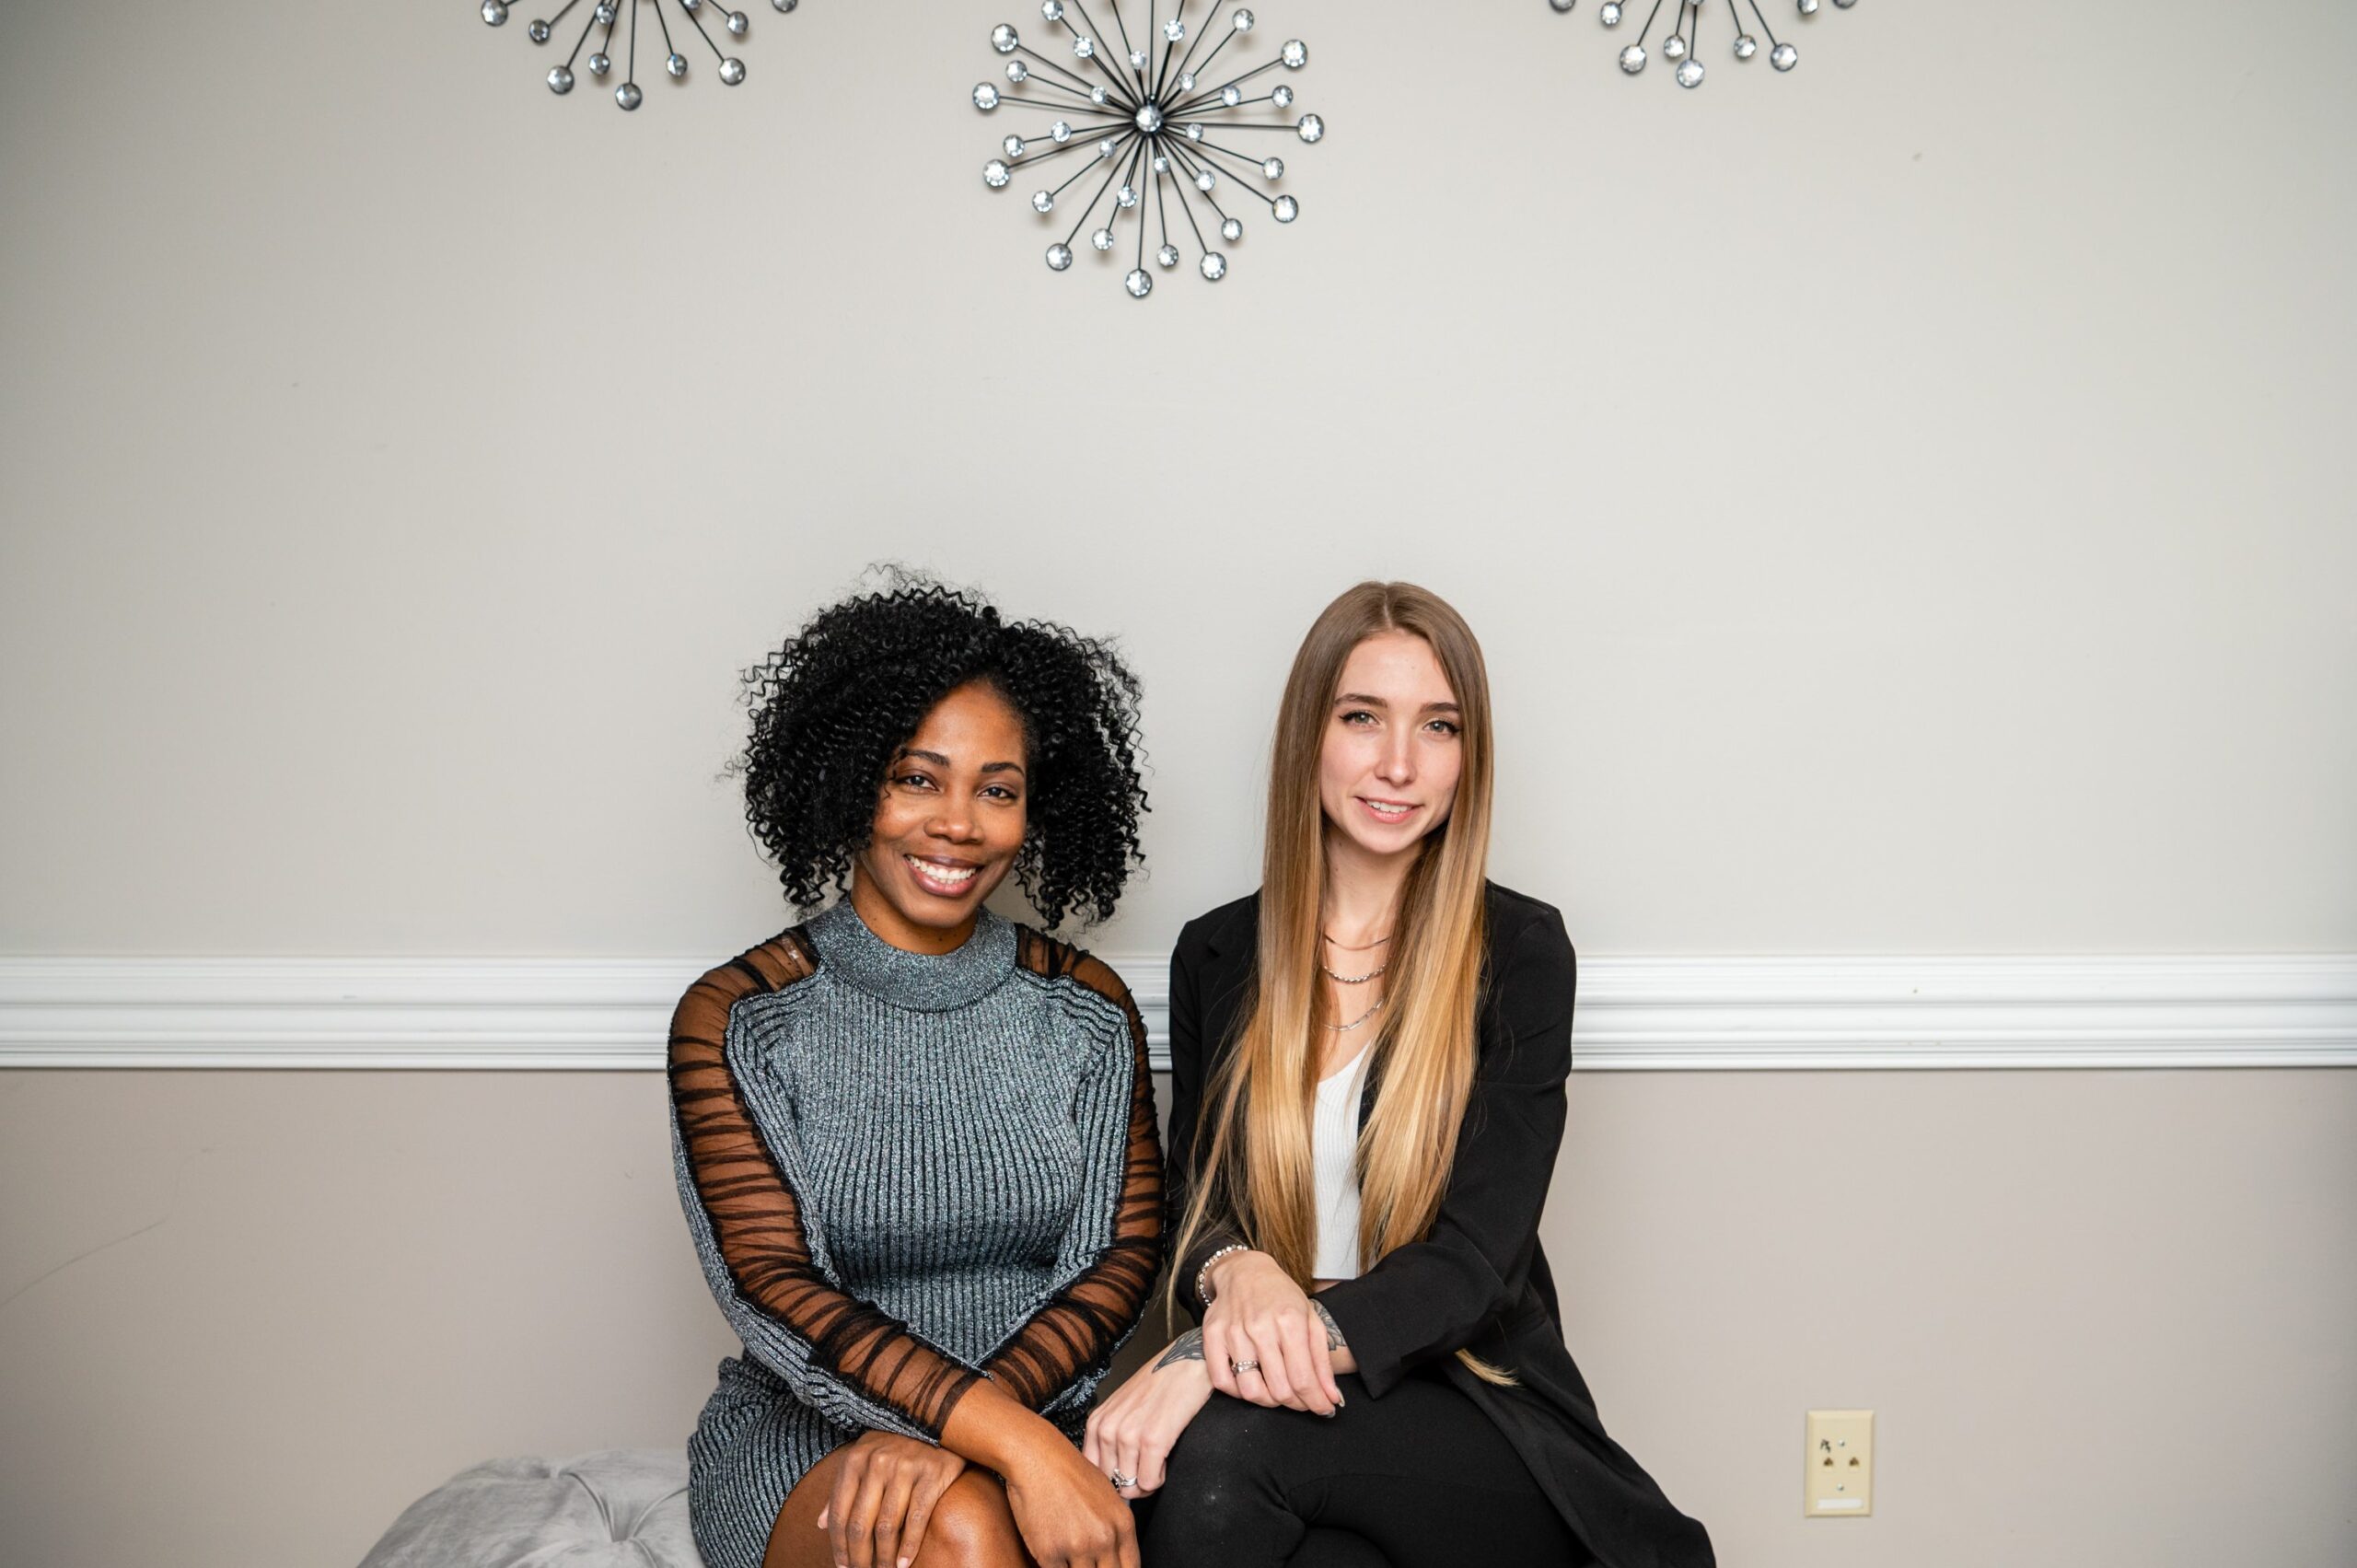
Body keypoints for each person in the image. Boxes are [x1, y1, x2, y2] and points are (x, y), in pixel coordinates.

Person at [1084, 581, 1714, 1568]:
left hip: (1472, 1403)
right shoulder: (1218, 951)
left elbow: (1471, 1264)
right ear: (1309, 737)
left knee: (1216, 1459)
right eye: (1361, 717)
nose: (1397, 763)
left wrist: (1208, 1352)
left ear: (1471, 756)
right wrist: (1235, 1266)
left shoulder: (1520, 949)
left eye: (1438, 726)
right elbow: (1195, 1198)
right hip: (1303, 1415)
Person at [668, 576, 1162, 1568]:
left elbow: (1117, 1266)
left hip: (1041, 1401)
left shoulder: (1086, 1009)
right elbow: (775, 1283)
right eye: (916, 777)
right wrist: (993, 1437)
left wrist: (974, 1427)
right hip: (807, 1431)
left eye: (996, 787)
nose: (959, 823)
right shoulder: (740, 1017)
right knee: (968, 1529)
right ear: (852, 783)